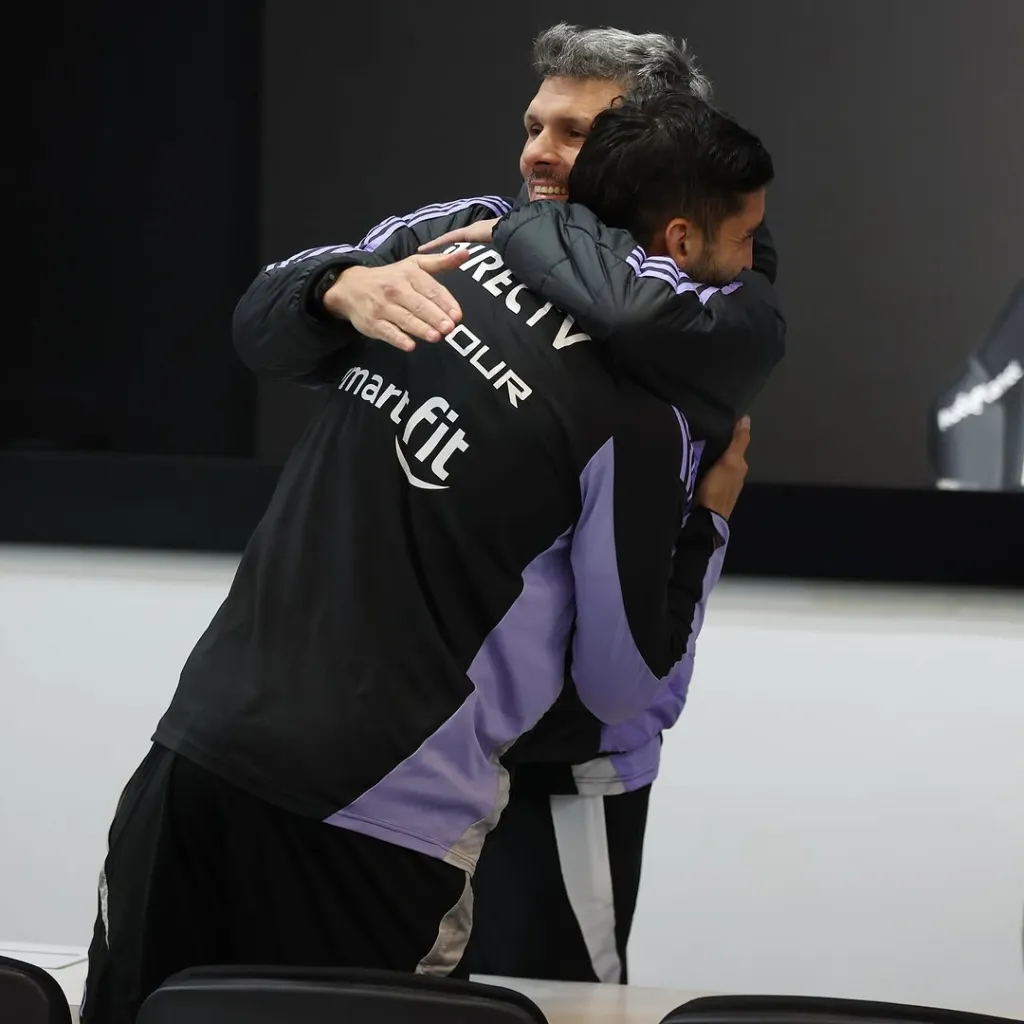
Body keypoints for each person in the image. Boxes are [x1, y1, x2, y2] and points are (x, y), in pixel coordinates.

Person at [79, 92, 771, 1024]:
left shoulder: (438, 265)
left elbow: (259, 331)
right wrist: (710, 522)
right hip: (382, 816)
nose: (753, 268)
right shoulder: (643, 415)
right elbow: (619, 685)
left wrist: (335, 286)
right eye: (744, 242)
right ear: (681, 242)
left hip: (200, 749)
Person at [229, 23, 785, 986]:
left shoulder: (712, 276)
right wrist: (337, 289)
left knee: (556, 1008)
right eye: (534, 123)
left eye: (573, 133)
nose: (537, 151)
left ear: (651, 146)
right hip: (407, 762)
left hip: (561, 770)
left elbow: (643, 314)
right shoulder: (460, 224)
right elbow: (260, 328)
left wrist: (531, 234)